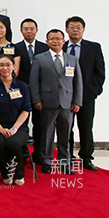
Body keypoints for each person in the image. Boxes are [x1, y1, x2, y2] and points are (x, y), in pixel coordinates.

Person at [30, 29, 82, 175]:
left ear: (63, 41)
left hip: (67, 103)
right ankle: (46, 161)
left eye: (58, 39)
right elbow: (34, 82)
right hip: (47, 102)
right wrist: (36, 100)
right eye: (52, 39)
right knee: (47, 134)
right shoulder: (40, 58)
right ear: (47, 41)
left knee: (65, 135)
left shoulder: (72, 59)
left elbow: (78, 82)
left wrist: (77, 101)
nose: (55, 41)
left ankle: (64, 162)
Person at [64, 16, 105, 171]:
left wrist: (93, 92)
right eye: (72, 27)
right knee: (66, 128)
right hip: (65, 96)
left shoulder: (93, 47)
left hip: (86, 96)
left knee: (86, 127)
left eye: (78, 27)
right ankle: (68, 156)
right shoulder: (61, 46)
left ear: (83, 29)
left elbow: (100, 73)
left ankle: (86, 158)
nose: (75, 30)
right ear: (66, 29)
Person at [0, 55, 31, 185]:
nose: (5, 68)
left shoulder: (22, 86)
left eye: (8, 65)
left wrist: (14, 128)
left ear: (14, 66)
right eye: (1, 65)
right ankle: (6, 173)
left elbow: (25, 110)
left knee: (13, 143)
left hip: (18, 127)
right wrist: (0, 128)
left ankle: (19, 174)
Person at [14, 18, 49, 164]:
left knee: (40, 123)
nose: (29, 31)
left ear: (37, 30)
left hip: (41, 92)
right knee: (21, 123)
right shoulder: (15, 47)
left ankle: (39, 153)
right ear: (21, 31)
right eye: (26, 29)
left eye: (32, 29)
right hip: (21, 91)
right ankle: (21, 152)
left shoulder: (45, 48)